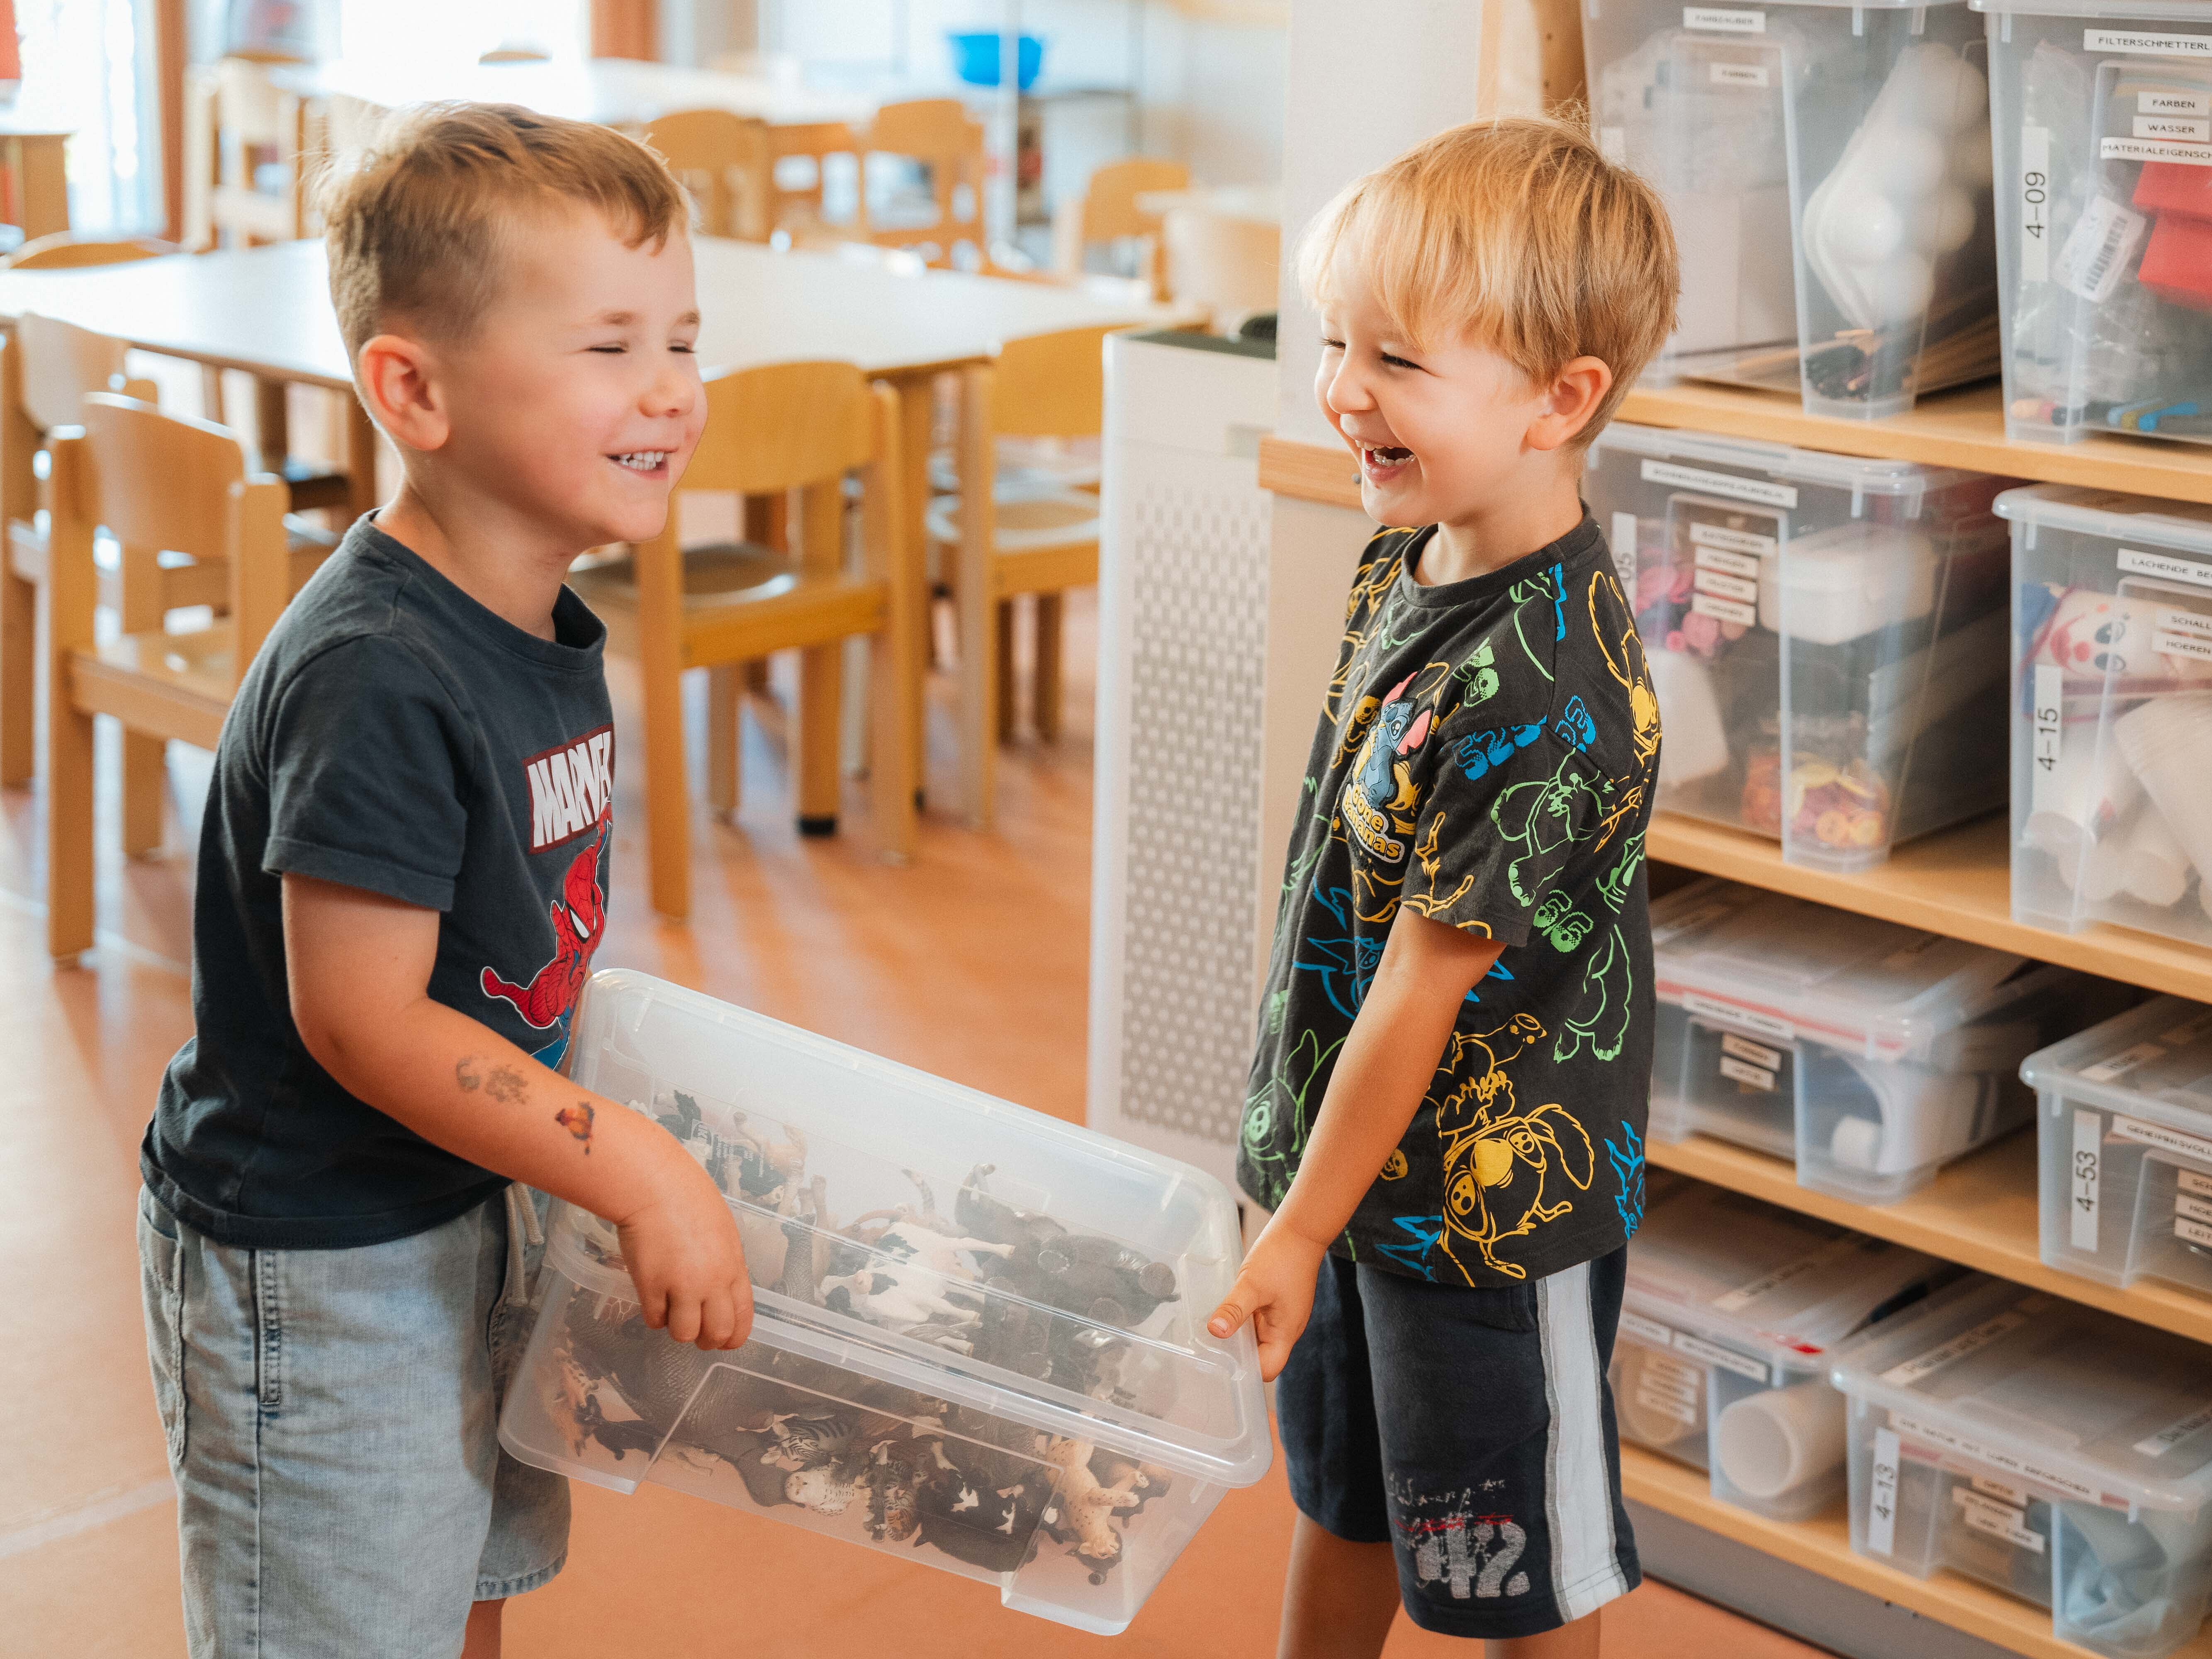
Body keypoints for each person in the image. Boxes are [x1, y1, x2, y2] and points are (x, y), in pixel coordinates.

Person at [136, 103, 747, 1659]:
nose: (672, 393)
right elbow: (360, 1022)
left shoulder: (535, 617)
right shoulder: (380, 671)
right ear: (413, 389)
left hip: (469, 1208)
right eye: (611, 347)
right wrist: (631, 1163)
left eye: (683, 340)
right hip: (327, 1265)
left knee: (466, 1589)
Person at [1207, 117, 1679, 1659]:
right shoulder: (1403, 557)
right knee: (1343, 1499)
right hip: (1346, 1182)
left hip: (1481, 1224)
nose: (1344, 387)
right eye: (1338, 340)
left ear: (1563, 399)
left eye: (1398, 361)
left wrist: (1295, 1226)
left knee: (1511, 1571)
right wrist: (1297, 1199)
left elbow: (1421, 991)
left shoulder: (1556, 686)